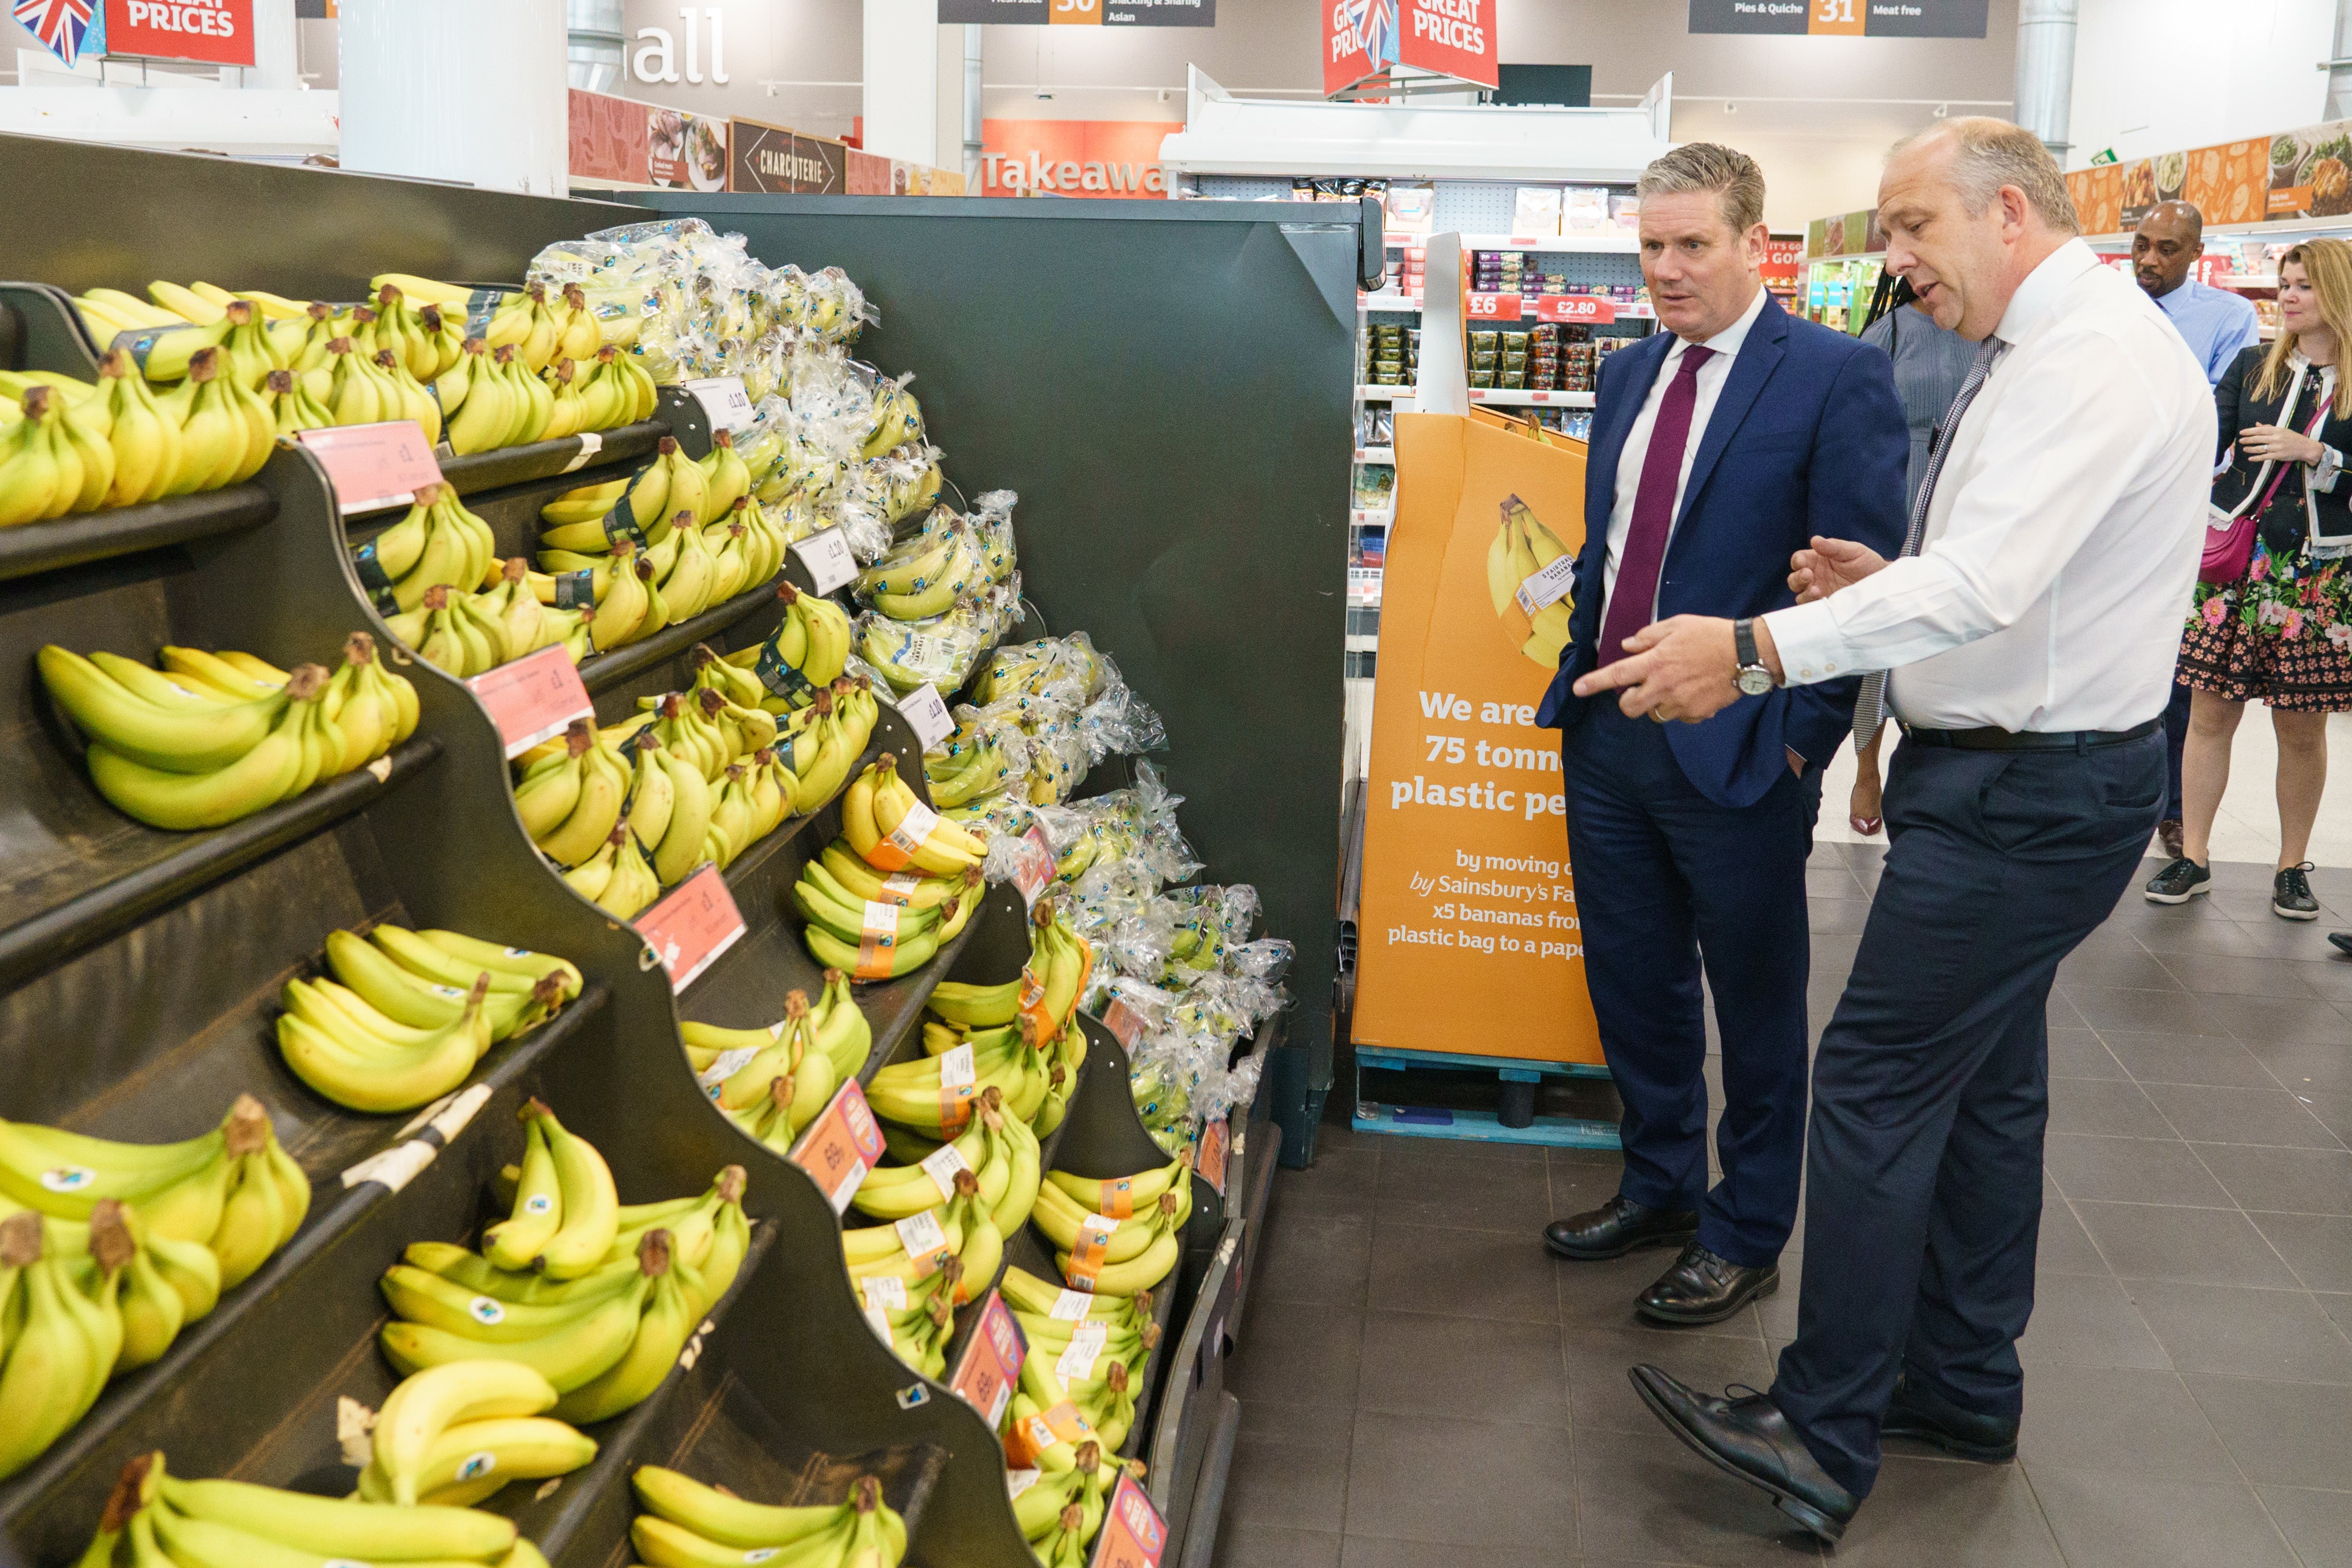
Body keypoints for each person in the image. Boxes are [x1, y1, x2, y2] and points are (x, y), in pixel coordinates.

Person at [1572, 118, 2211, 1541]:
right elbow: (2010, 572)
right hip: (2009, 773)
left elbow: (1986, 587)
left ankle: (1818, 1425)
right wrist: (1890, 581)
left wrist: (1754, 651)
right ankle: (1961, 1381)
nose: (1894, 258)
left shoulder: (2089, 359)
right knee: (1985, 1095)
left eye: (1913, 225)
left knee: (1870, 1087)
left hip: (2023, 799)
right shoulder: (2041, 350)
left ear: (2006, 212)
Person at [1531, 143, 1907, 1328]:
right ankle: (1658, 1185)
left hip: (1741, 743)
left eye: (1692, 244)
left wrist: (1801, 742)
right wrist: (1579, 668)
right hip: (1609, 732)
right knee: (1631, 977)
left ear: (1754, 243)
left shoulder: (1833, 377)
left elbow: (1856, 589)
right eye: (1650, 245)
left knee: (1752, 1000)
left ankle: (1744, 1230)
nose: (1666, 268)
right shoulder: (1624, 375)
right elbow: (1607, 548)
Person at [2144, 239, 2352, 919]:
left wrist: (2318, 454)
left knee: (2301, 728)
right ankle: (2193, 855)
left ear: (2338, 292)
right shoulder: (2250, 368)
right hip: (2232, 564)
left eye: (2304, 285)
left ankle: (2291, 866)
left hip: (2315, 577)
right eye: (2285, 283)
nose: (2288, 296)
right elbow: (2199, 447)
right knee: (2209, 715)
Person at [2136, 200, 2263, 859]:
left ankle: (2176, 810)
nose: (2149, 259)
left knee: (2182, 663)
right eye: (2142, 244)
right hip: (2110, 508)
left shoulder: (2228, 317)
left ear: (2195, 253)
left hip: (2187, 510)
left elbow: (2217, 415)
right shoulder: (2108, 307)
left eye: (2167, 248)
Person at [1846, 286, 1977, 835]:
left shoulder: (1987, 335)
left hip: (1966, 500)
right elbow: (1855, 429)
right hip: (1896, 500)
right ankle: (1866, 770)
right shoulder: (1890, 333)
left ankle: (1943, 764)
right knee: (1881, 635)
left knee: (1952, 626)